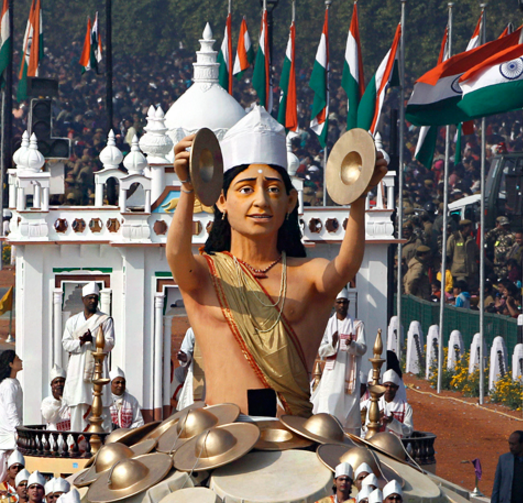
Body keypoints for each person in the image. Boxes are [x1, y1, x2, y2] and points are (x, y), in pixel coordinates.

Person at [166, 106, 387, 416]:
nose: (261, 201)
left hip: (291, 432)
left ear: (290, 202)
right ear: (221, 201)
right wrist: (188, 187)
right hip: (222, 434)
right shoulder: (207, 273)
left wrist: (359, 199)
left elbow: (345, 266)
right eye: (245, 189)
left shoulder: (308, 274)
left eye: (273, 189)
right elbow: (176, 255)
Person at [310, 289, 367, 434]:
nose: (342, 305)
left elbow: (363, 348)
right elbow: (321, 350)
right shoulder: (327, 324)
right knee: (329, 404)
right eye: (339, 302)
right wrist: (333, 344)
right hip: (332, 373)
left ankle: (349, 440)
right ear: (334, 304)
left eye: (345, 302)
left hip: (350, 373)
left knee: (349, 408)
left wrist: (351, 345)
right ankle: (326, 434)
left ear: (348, 304)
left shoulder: (357, 325)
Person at [61, 282, 116, 430]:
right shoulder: (73, 321)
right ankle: (78, 443)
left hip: (97, 369)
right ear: (83, 299)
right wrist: (80, 341)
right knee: (79, 404)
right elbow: (66, 344)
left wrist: (93, 340)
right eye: (89, 298)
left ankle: (101, 442)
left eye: (95, 298)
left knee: (99, 406)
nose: (92, 301)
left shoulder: (105, 320)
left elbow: (110, 343)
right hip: (78, 370)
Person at [0, 351, 24, 490]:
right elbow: (10, 409)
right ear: (11, 364)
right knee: (1, 470)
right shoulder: (7, 385)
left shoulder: (15, 383)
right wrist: (18, 429)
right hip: (7, 434)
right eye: (17, 359)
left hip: (12, 434)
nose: (21, 361)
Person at [375, 369, 414, 437]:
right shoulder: (375, 404)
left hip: (398, 445)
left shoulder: (405, 407)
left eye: (392, 386)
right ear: (382, 386)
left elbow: (408, 431)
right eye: (386, 386)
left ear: (397, 388)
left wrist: (392, 422)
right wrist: (377, 420)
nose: (388, 389)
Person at [447, 218, 479, 289]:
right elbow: (448, 254)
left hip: (470, 272)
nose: (470, 228)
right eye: (468, 226)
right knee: (461, 289)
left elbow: (478, 254)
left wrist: (490, 264)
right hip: (459, 272)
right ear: (463, 227)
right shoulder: (454, 238)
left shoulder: (471, 240)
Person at [42, 365, 72, 431]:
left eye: (61, 381)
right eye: (56, 382)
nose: (59, 384)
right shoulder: (47, 401)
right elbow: (49, 417)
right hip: (53, 438)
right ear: (52, 385)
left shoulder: (71, 400)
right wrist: (57, 400)